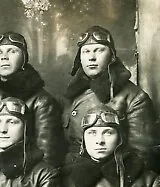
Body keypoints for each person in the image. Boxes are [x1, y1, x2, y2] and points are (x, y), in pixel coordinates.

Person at [0, 31, 63, 167]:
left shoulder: (41, 101)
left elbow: (47, 158)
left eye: (11, 51)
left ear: (23, 58)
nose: (4, 57)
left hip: (21, 178)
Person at [63, 25, 158, 164]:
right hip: (70, 175)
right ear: (79, 58)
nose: (91, 57)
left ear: (112, 56)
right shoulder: (71, 94)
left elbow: (141, 155)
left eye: (99, 50)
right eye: (86, 52)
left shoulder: (135, 98)